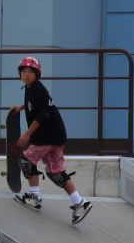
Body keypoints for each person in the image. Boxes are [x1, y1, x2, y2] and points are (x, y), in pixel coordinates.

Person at [11, 57, 91, 225]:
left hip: (47, 135)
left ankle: (35, 197)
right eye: (23, 72)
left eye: (30, 72)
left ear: (37, 74)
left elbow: (43, 114)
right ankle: (80, 203)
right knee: (55, 171)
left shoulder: (37, 89)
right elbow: (38, 105)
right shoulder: (31, 88)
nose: (26, 75)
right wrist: (22, 106)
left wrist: (26, 134)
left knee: (27, 160)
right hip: (57, 135)